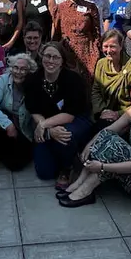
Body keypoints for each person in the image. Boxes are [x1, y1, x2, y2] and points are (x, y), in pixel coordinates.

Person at [59, 76, 131, 208]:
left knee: (115, 145)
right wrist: (89, 146)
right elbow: (109, 130)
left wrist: (101, 166)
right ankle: (80, 182)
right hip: (129, 173)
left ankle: (85, 189)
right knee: (107, 134)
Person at [24, 42, 93, 188]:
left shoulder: (73, 80)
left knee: (65, 134)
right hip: (47, 122)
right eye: (48, 56)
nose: (51, 60)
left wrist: (43, 126)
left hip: (75, 119)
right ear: (42, 57)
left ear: (62, 61)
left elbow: (70, 115)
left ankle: (66, 168)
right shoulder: (32, 80)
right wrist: (48, 129)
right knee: (45, 173)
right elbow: (33, 110)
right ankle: (65, 156)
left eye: (56, 57)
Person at [0, 53, 37, 174]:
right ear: (11, 68)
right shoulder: (3, 79)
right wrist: (8, 124)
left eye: (23, 69)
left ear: (30, 71)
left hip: (23, 128)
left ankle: (4, 150)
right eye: (16, 67)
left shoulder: (33, 85)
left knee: (16, 165)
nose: (18, 72)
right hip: (4, 123)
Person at [51, 0, 101, 82]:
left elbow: (96, 31)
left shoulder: (91, 7)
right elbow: (56, 32)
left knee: (87, 83)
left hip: (87, 51)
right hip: (67, 51)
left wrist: (96, 50)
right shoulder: (60, 8)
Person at [92, 30, 131, 126]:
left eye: (113, 46)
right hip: (103, 113)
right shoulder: (101, 64)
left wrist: (117, 114)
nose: (108, 51)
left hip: (125, 116)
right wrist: (102, 111)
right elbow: (96, 90)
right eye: (105, 46)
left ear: (121, 46)